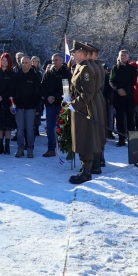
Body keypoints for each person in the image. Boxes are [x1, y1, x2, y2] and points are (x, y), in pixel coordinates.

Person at [67, 41, 98, 184]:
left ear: (84, 54)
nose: (73, 54)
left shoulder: (85, 69)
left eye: (76, 52)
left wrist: (75, 104)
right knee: (80, 138)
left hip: (83, 110)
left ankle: (87, 171)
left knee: (85, 139)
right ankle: (84, 168)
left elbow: (88, 92)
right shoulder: (78, 67)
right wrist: (68, 100)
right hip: (78, 109)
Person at [41, 54, 71, 158]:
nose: (54, 62)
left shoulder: (66, 73)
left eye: (56, 60)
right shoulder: (48, 73)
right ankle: (51, 149)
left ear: (61, 61)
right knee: (50, 127)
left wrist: (58, 98)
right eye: (53, 60)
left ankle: (62, 147)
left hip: (60, 104)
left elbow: (67, 89)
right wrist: (47, 96)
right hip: (49, 105)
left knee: (61, 127)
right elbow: (42, 87)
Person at [12, 56, 42, 158]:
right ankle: (20, 148)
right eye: (23, 63)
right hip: (19, 107)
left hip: (31, 107)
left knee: (30, 129)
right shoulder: (16, 76)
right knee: (19, 129)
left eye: (26, 63)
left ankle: (30, 148)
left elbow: (38, 94)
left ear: (30, 64)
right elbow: (12, 92)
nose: (24, 65)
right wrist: (12, 105)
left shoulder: (35, 76)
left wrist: (37, 108)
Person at [108, 50, 137, 147]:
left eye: (125, 55)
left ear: (128, 57)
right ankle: (121, 139)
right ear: (119, 57)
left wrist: (125, 90)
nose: (123, 57)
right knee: (119, 119)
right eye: (121, 55)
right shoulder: (115, 68)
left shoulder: (132, 69)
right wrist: (118, 89)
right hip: (118, 97)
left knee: (130, 119)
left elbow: (133, 81)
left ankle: (132, 139)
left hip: (129, 97)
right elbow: (111, 81)